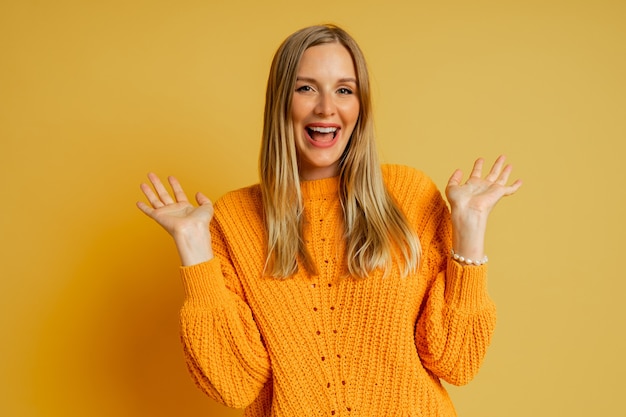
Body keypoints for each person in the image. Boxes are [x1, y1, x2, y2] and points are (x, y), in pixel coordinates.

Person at [137, 24, 522, 417]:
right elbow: (234, 383)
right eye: (306, 88)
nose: (326, 108)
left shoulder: (410, 195)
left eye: (344, 90)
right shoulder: (232, 220)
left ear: (361, 105)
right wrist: (193, 248)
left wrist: (470, 232)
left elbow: (456, 362)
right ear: (280, 102)